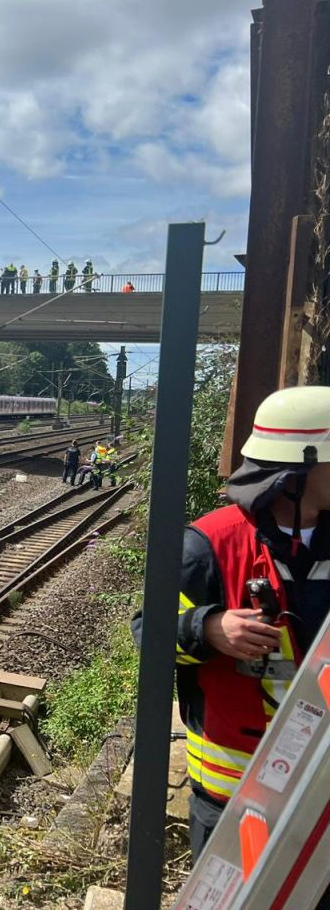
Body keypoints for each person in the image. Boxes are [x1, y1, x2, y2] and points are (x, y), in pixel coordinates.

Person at [132, 387, 330, 905]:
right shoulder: (209, 545)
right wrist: (209, 628)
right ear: (297, 474)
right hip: (234, 796)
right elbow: (147, 633)